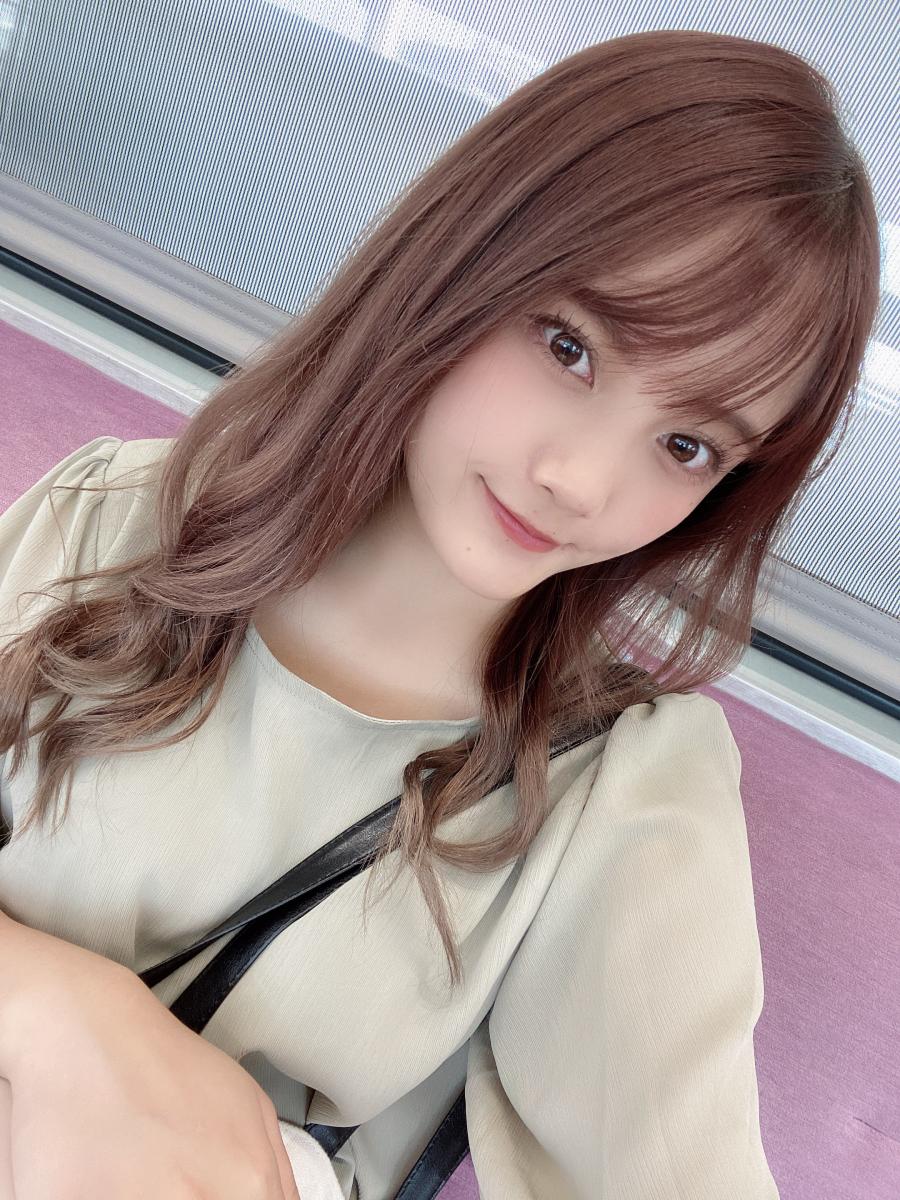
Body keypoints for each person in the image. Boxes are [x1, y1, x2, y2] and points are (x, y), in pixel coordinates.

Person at [0, 26, 881, 1200]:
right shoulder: (115, 523)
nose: (582, 481)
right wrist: (63, 1014)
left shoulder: (617, 793)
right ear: (465, 259)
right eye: (570, 347)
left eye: (687, 445)